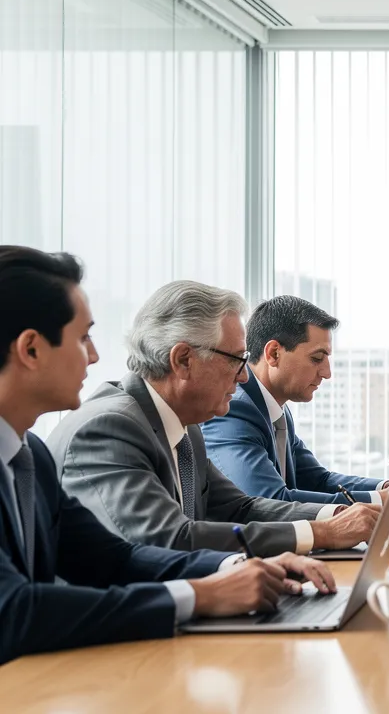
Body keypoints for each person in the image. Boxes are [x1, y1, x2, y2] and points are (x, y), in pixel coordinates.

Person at [0, 246, 336, 665]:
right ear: (31, 350)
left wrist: (232, 566)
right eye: (83, 336)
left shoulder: (28, 454)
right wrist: (201, 594)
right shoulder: (103, 427)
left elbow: (113, 558)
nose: (94, 354)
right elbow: (12, 611)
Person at [47, 281, 379, 558]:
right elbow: (169, 540)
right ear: (183, 360)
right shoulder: (108, 428)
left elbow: (241, 509)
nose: (245, 377)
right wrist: (318, 533)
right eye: (237, 359)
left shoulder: (186, 427)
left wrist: (334, 516)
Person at [202, 296, 389, 507]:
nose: (327, 373)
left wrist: (386, 487)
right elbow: (271, 499)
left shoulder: (276, 410)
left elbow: (318, 480)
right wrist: (382, 499)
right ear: (273, 354)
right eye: (317, 358)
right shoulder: (234, 409)